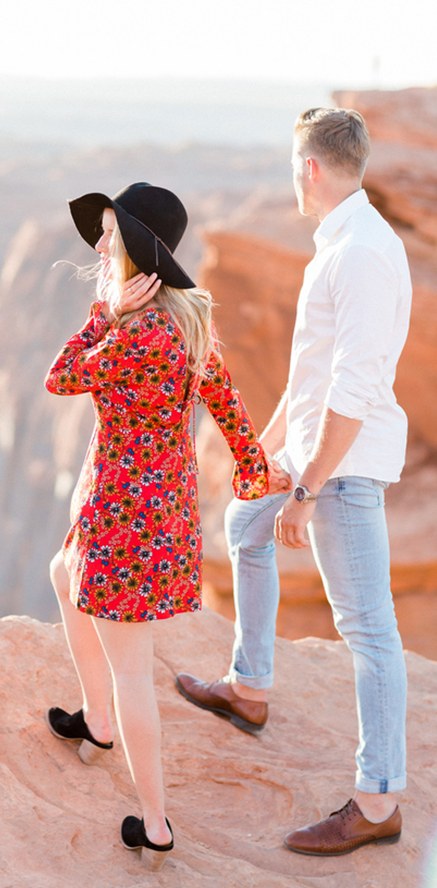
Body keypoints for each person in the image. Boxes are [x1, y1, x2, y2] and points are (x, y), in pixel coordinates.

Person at [175, 108, 412, 856]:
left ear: (310, 168)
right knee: (244, 526)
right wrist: (259, 453)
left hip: (341, 468)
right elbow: (309, 376)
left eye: (292, 169)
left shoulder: (363, 253)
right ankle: (250, 688)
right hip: (313, 451)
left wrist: (306, 489)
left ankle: (377, 803)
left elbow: (353, 388)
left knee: (370, 632)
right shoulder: (338, 244)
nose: (293, 182)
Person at [44, 182, 287, 870]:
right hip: (159, 515)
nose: (98, 245)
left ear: (137, 250)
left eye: (110, 235)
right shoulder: (186, 323)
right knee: (63, 576)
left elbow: (59, 378)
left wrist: (101, 316)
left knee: (132, 671)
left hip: (124, 520)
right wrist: (252, 473)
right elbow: (231, 411)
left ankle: (154, 821)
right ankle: (94, 723)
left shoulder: (138, 330)